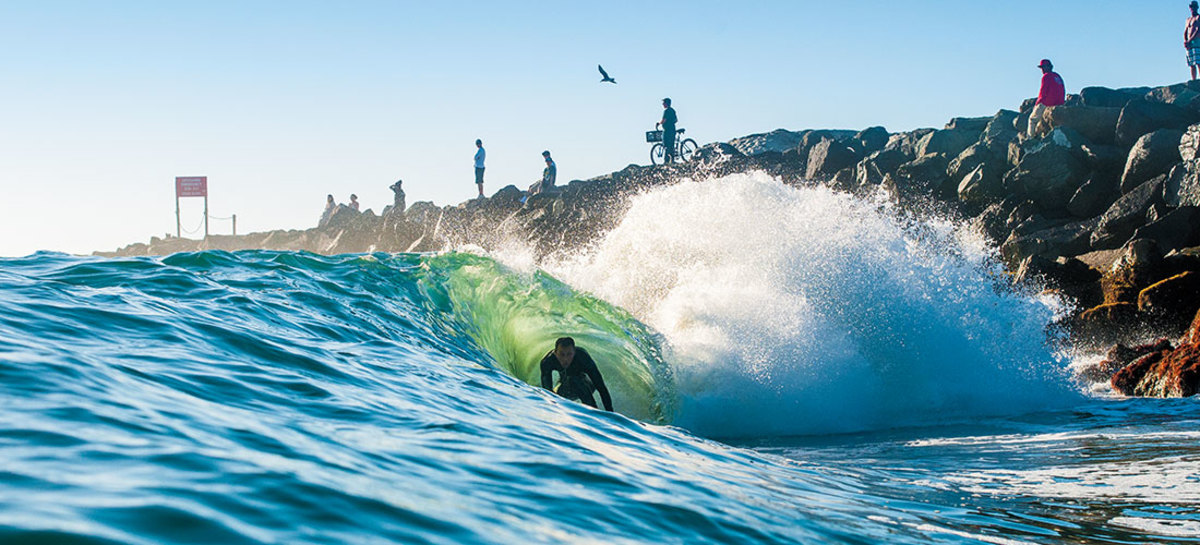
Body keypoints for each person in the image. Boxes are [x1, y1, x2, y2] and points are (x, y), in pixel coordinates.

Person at [540, 337, 613, 412]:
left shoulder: (583, 357)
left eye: (569, 354)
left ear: (574, 352)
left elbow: (601, 388)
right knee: (557, 392)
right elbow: (547, 391)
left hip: (588, 385)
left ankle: (594, 412)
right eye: (562, 354)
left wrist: (610, 412)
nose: (565, 359)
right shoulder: (547, 361)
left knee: (575, 380)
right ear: (555, 353)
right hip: (566, 389)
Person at [1028, 59, 1065, 138]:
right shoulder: (1057, 76)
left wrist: (1038, 103)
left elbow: (1043, 91)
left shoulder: (1046, 76)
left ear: (1048, 67)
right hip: (1058, 104)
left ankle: (1030, 139)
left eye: (1043, 67)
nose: (1042, 69)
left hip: (1046, 103)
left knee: (1032, 120)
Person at [656, 98, 678, 162]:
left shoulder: (666, 111)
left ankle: (666, 160)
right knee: (671, 144)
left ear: (666, 103)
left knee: (666, 145)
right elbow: (676, 120)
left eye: (663, 103)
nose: (662, 104)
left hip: (667, 130)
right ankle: (672, 160)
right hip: (673, 129)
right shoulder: (673, 110)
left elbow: (664, 120)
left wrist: (659, 123)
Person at [1187, 1, 1200, 80]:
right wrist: (1186, 41)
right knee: (1191, 63)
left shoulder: (1198, 18)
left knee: (1198, 61)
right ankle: (1193, 79)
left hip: (1197, 42)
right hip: (1190, 44)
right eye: (1192, 6)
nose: (1193, 8)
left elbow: (1198, 30)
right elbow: (1185, 30)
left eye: (1194, 6)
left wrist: (1190, 40)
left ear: (1197, 7)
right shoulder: (1188, 19)